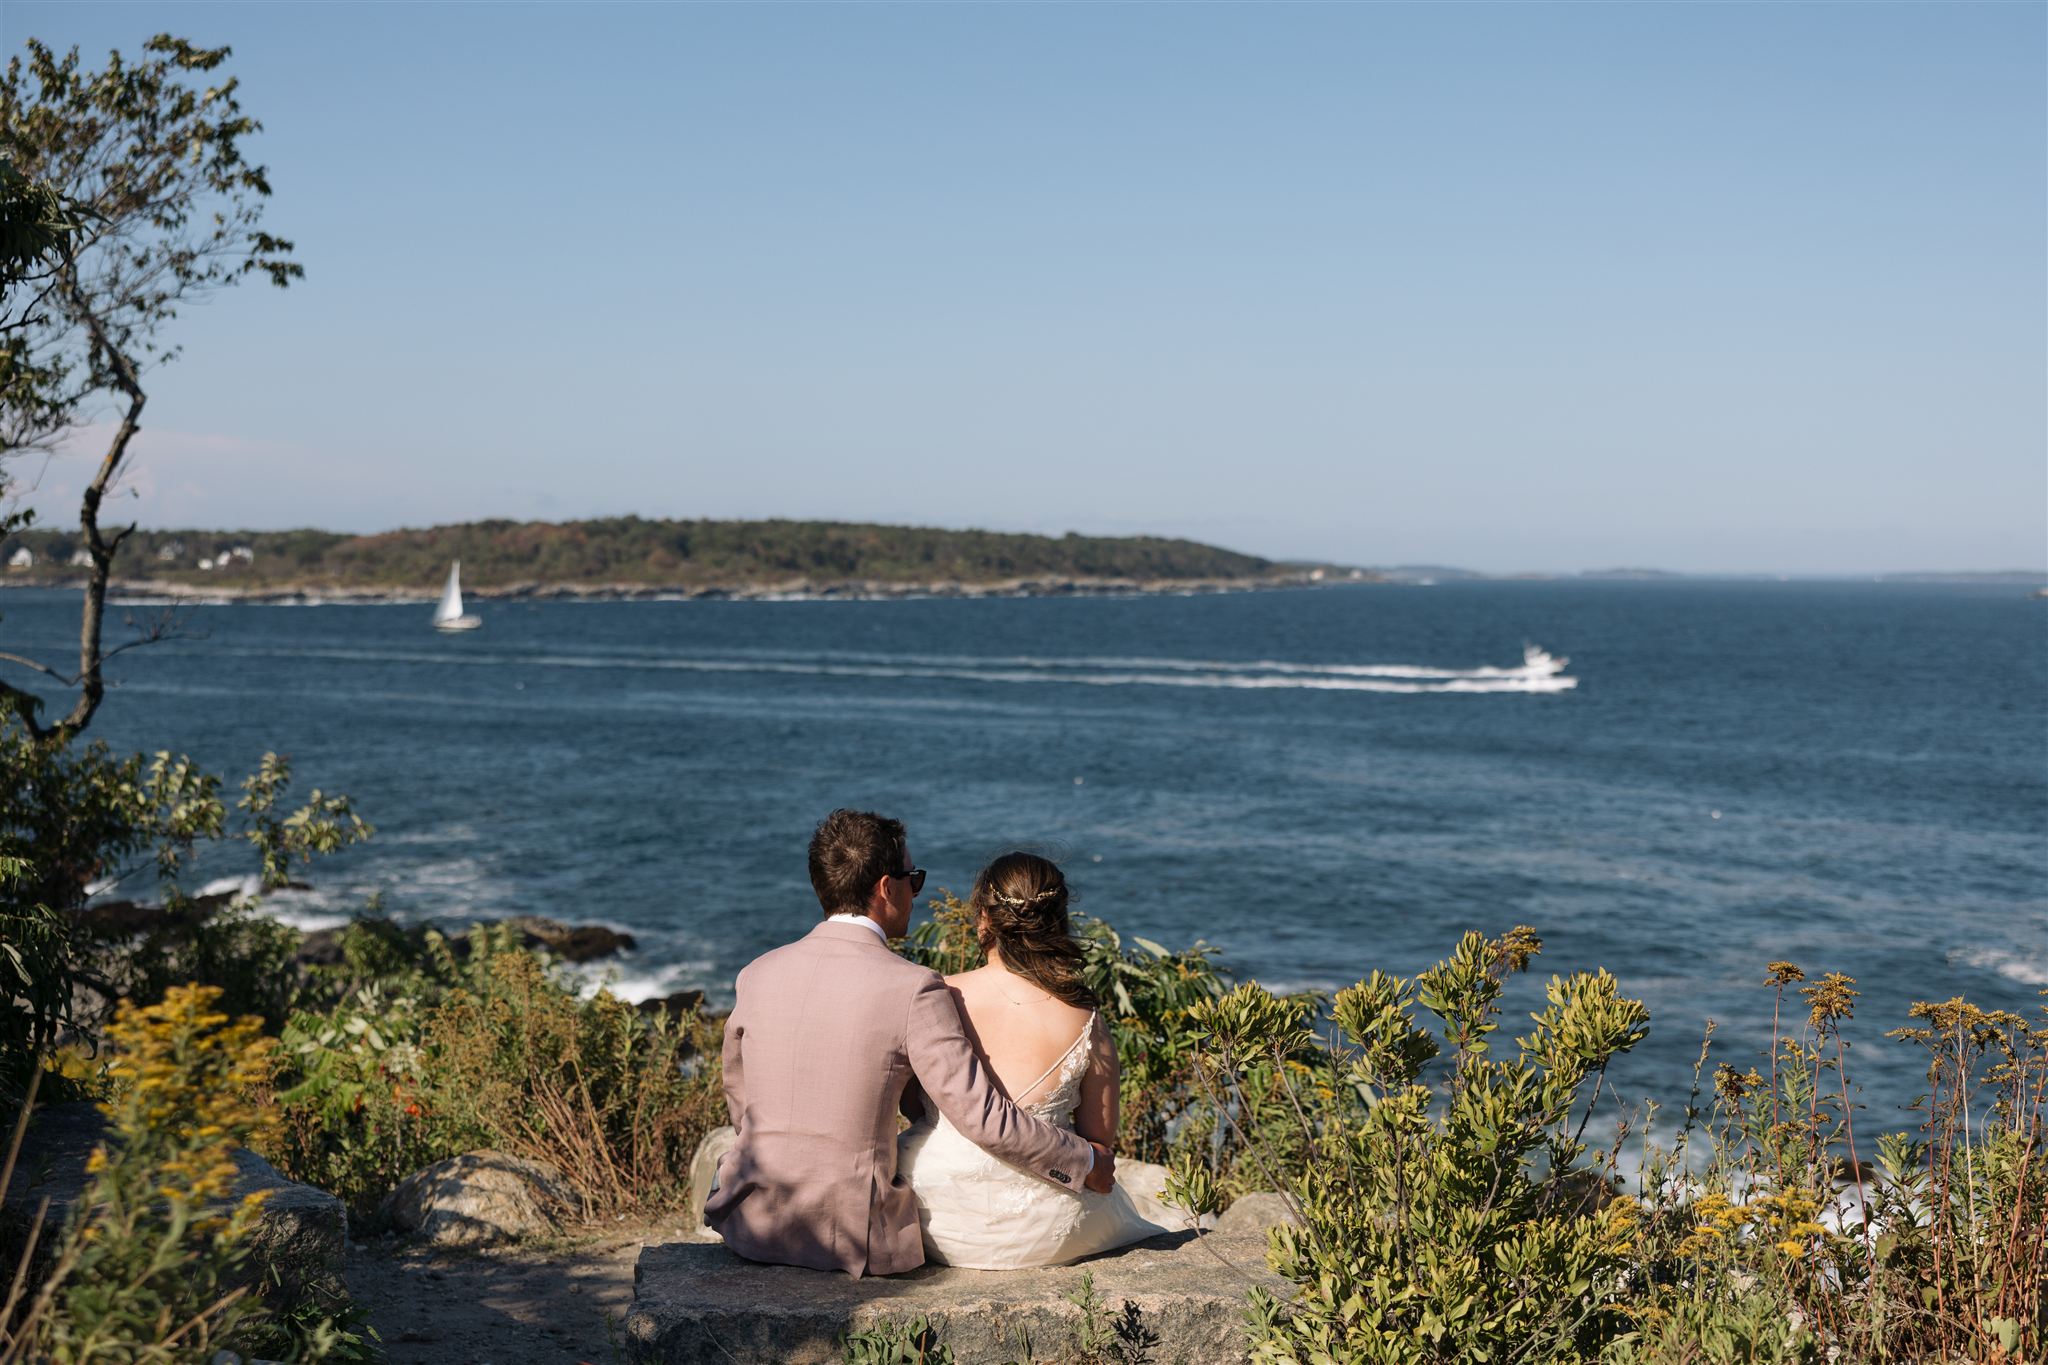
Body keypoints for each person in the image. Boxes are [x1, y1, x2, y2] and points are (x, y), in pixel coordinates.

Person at [704, 810, 1114, 1278]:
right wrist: (1083, 1160)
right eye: (914, 879)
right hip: (849, 1236)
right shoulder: (913, 988)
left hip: (752, 1223)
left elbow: (742, 1102)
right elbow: (981, 1116)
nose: (916, 894)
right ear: (886, 888)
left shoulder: (756, 974)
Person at [897, 851, 1168, 1268]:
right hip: (1051, 1228)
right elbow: (1100, 1143)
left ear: (984, 919)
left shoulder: (936, 997)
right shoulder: (1085, 1018)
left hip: (936, 1217)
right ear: (1058, 922)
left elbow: (910, 1102)